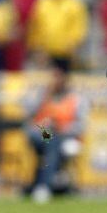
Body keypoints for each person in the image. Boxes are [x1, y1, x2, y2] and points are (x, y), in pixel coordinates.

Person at [27, 65, 86, 203]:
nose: (55, 81)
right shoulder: (42, 95)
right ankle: (45, 186)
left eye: (59, 77)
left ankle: (44, 185)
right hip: (41, 132)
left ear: (66, 80)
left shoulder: (75, 99)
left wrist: (62, 127)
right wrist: (44, 97)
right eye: (54, 77)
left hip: (66, 136)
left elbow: (81, 125)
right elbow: (30, 117)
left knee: (53, 142)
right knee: (51, 139)